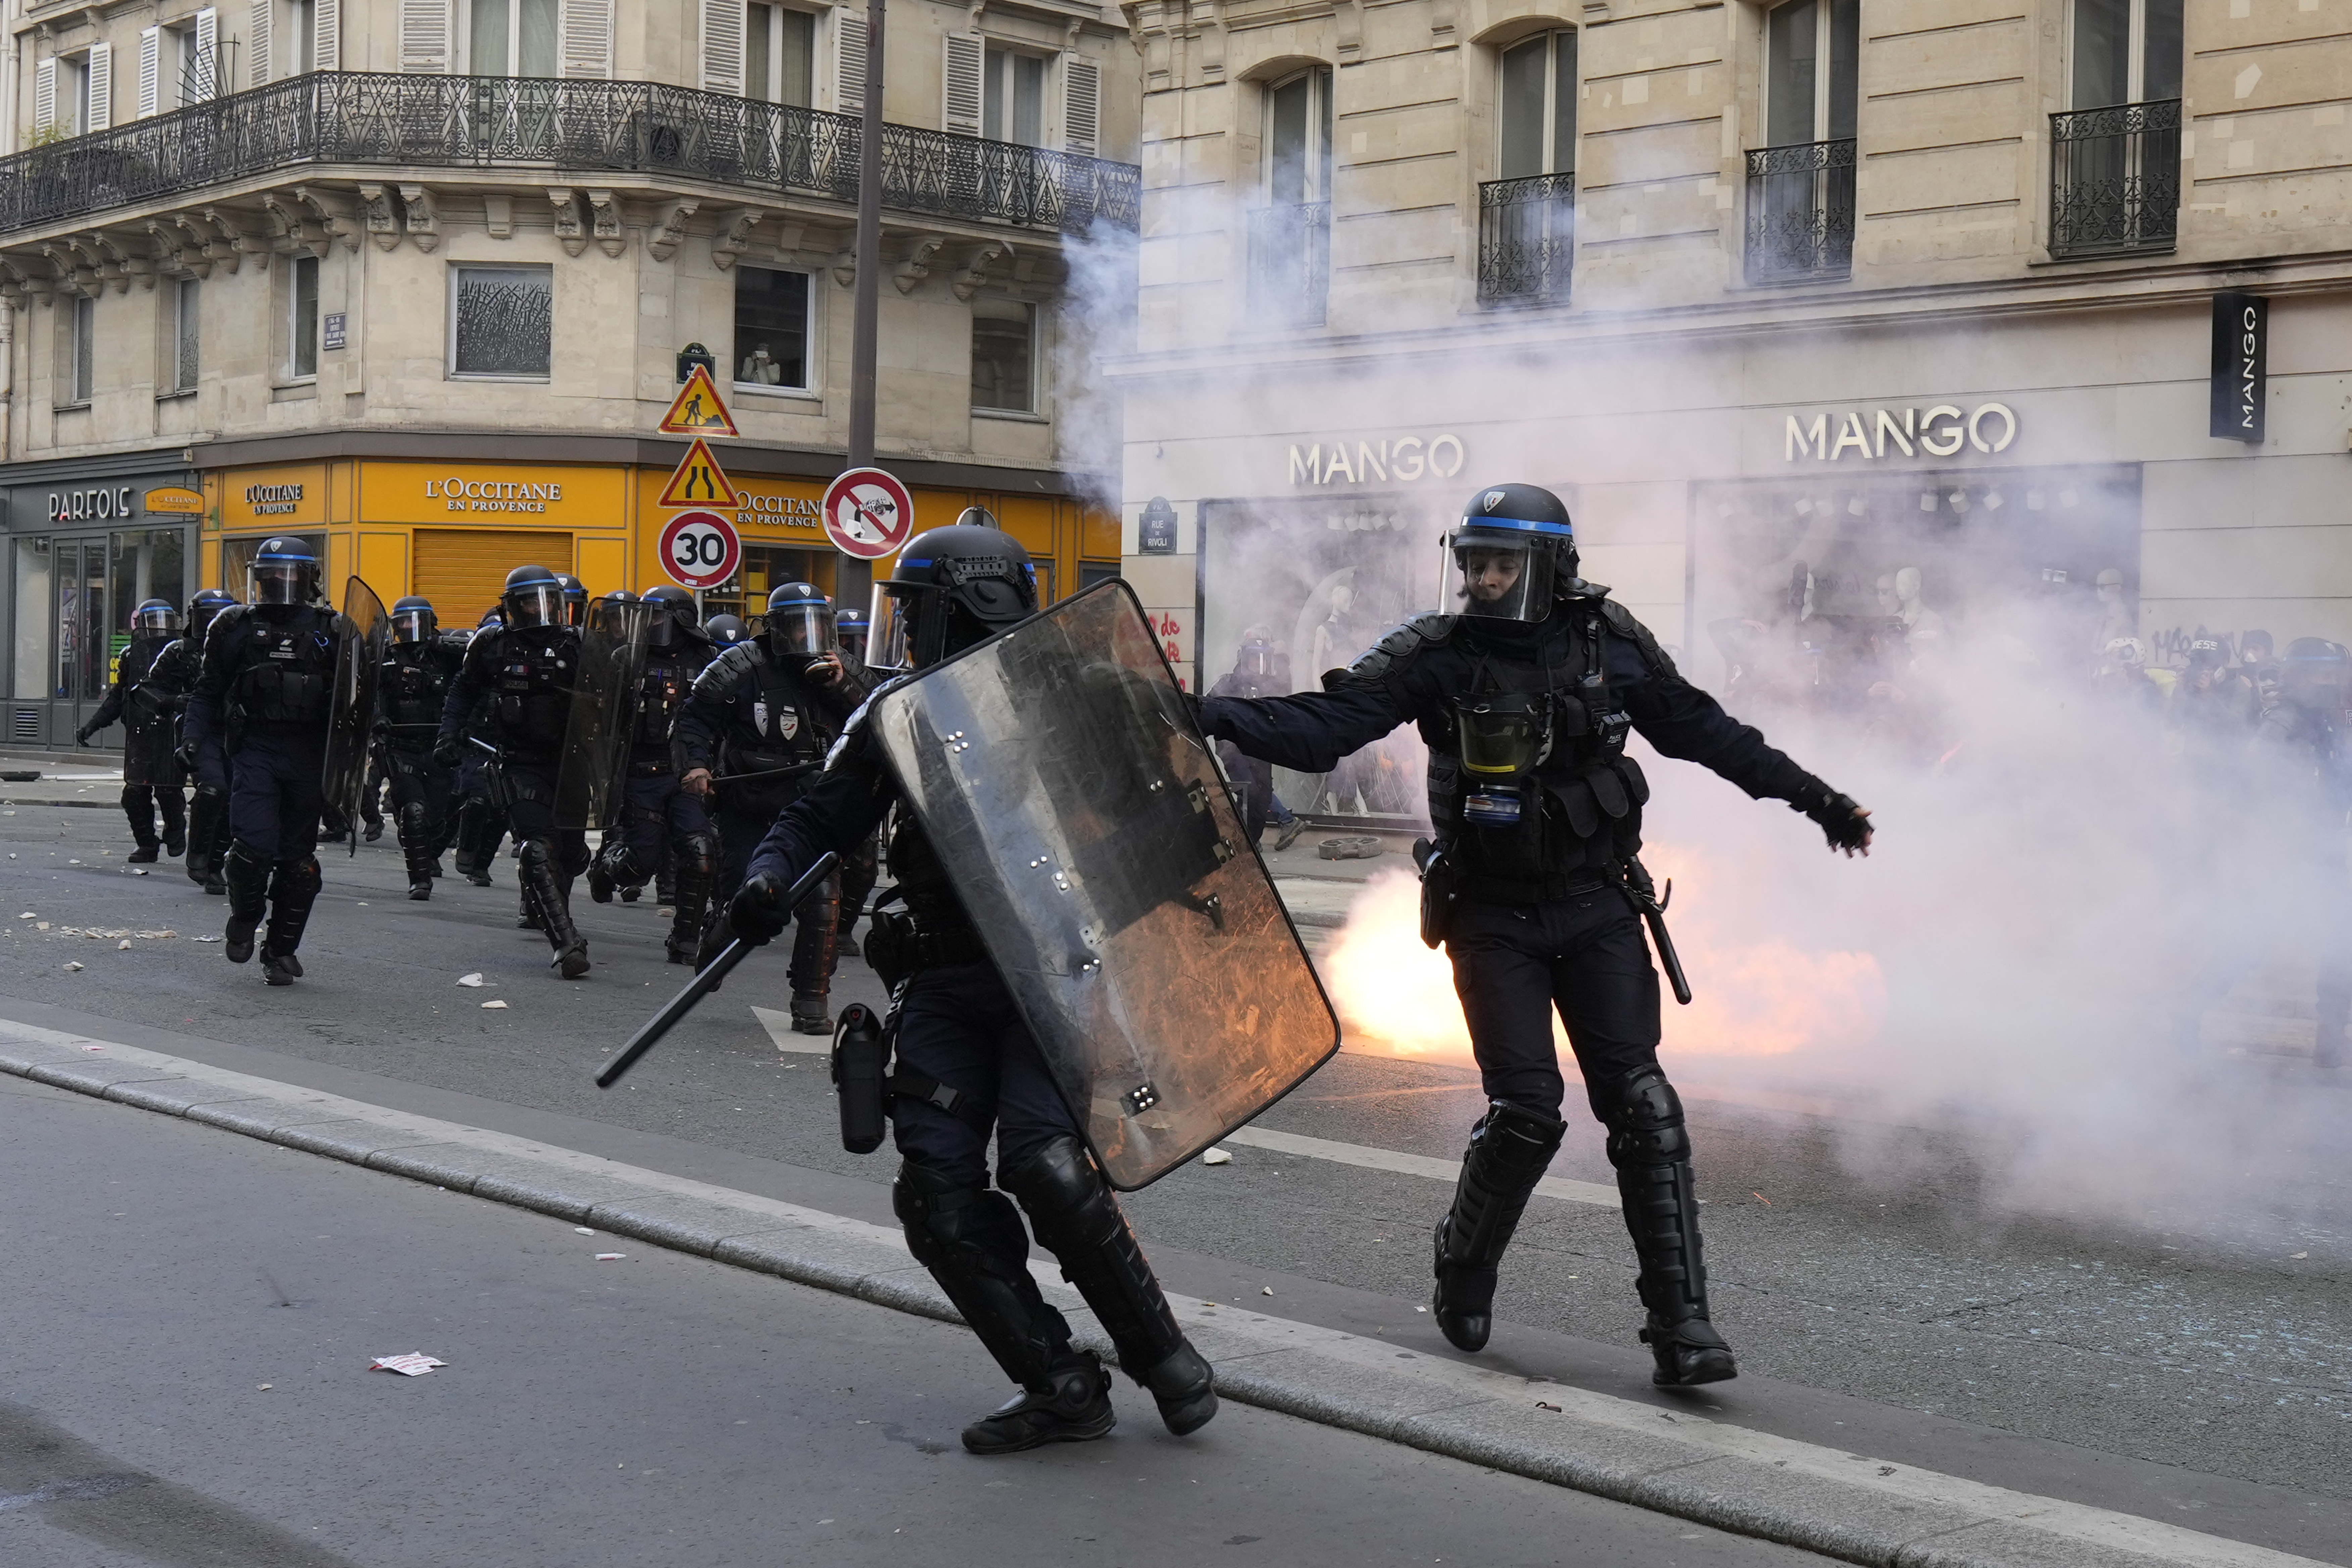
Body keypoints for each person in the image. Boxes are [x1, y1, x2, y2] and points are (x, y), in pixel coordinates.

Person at [1199, 484, 1874, 1387]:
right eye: (1472, 561)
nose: (1481, 579)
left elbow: (1705, 731)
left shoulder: (1609, 644)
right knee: (1527, 1116)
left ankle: (1683, 1327)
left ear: (1549, 565)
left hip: (1600, 906)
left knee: (1645, 1107)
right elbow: (1329, 729)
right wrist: (1204, 710)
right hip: (1492, 914)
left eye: (1501, 563)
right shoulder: (1436, 652)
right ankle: (1465, 1267)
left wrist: (1816, 798)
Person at [727, 522, 1218, 1453]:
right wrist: (764, 877)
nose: (905, 630)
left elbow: (1186, 813)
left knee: (1046, 1165)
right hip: (947, 980)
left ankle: (1161, 1356)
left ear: (970, 608)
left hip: (1052, 973)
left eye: (918, 612)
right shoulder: (897, 716)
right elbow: (816, 817)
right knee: (936, 1195)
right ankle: (1060, 1381)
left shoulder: (1078, 699)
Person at [676, 582, 864, 1032]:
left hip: (811, 806)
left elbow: (875, 718)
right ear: (778, 628)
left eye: (818, 625)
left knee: (822, 901)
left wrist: (843, 687)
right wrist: (697, 766)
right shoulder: (741, 664)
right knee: (749, 895)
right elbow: (695, 718)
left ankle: (811, 1001)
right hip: (749, 802)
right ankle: (717, 946)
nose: (809, 636)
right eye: (799, 627)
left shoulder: (841, 669)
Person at [182, 539, 352, 986]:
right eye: (270, 576)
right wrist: (194, 739)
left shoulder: (331, 630)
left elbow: (360, 699)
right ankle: (245, 917)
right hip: (256, 747)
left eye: (289, 576)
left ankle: (280, 949)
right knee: (252, 849)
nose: (279, 584)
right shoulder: (235, 627)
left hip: (309, 753)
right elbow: (208, 689)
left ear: (309, 580)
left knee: (299, 862)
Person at [436, 566, 591, 979]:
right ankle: (566, 942)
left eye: (545, 602)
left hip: (570, 765)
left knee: (571, 854)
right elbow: (463, 690)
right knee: (537, 849)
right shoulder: (492, 645)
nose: (537, 611)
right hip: (518, 762)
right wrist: (448, 734)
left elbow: (609, 700)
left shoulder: (577, 646)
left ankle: (558, 915)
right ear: (511, 607)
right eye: (527, 602)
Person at [587, 586, 722, 963]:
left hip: (686, 774)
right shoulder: (625, 658)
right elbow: (602, 720)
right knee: (640, 862)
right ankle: (607, 870)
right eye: (645, 617)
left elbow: (724, 720)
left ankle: (685, 941)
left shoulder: (708, 660)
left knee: (700, 852)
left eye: (658, 617)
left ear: (681, 619)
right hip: (639, 775)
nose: (650, 625)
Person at [78, 598, 187, 864]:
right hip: (140, 732)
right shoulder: (132, 655)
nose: (160, 630)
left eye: (165, 623)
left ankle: (176, 829)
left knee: (169, 789)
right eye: (153, 623)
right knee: (135, 793)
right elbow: (120, 695)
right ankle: (147, 844)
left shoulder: (180, 652)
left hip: (169, 730)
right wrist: (93, 724)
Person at [375, 596, 466, 900]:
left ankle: (424, 846)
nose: (410, 628)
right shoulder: (387, 661)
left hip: (438, 749)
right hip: (401, 749)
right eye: (404, 622)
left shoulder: (447, 658)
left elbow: (472, 683)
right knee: (414, 812)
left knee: (436, 820)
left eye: (417, 621)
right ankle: (420, 880)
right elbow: (368, 696)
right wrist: (379, 719)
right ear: (396, 627)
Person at [158, 589, 238, 893]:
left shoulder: (240, 649)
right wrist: (174, 701)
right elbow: (145, 690)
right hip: (200, 729)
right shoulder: (180, 651)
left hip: (236, 731)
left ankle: (217, 863)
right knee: (213, 788)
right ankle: (199, 854)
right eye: (207, 617)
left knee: (234, 800)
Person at [1209, 633, 1305, 850]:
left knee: (1262, 799)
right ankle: (1246, 841)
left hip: (1261, 749)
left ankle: (1249, 839)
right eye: (1253, 658)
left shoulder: (1270, 686)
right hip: (1233, 749)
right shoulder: (1228, 683)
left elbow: (1284, 709)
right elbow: (1206, 707)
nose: (1257, 664)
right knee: (1248, 793)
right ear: (1244, 658)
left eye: (1262, 659)